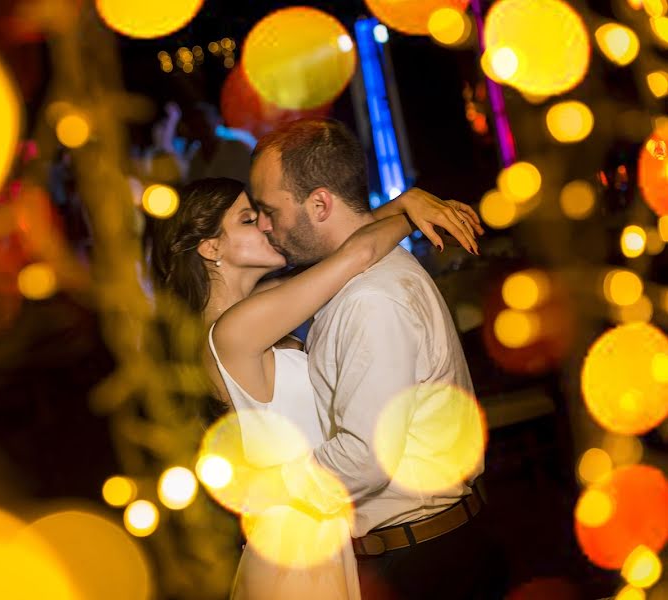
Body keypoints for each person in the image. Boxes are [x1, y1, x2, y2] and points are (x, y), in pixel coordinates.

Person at [150, 175, 482, 599]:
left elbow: (346, 249)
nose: (268, 227)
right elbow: (358, 253)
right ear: (211, 248)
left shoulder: (257, 307)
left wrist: (404, 207)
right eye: (250, 220)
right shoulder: (233, 331)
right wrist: (412, 211)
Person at [249, 118, 504, 599]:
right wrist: (405, 208)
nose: (264, 225)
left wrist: (265, 489)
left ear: (320, 203)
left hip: (423, 562)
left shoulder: (373, 298)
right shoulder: (349, 280)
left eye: (268, 210)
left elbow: (367, 458)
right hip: (413, 553)